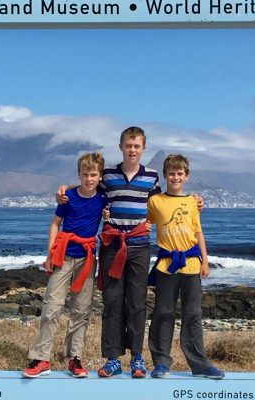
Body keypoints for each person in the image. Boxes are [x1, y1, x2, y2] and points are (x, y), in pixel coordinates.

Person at [57, 126, 160, 378]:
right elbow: (88, 183)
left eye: (136, 146)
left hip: (139, 246)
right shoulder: (109, 175)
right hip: (112, 246)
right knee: (112, 302)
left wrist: (194, 201)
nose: (132, 150)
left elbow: (162, 203)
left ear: (143, 148)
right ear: (121, 147)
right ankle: (113, 358)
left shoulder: (152, 177)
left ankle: (137, 358)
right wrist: (64, 188)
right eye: (128, 145)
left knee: (136, 303)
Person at [23, 152, 107, 379]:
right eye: (85, 174)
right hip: (64, 256)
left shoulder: (103, 197)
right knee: (52, 306)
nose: (89, 179)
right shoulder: (68, 197)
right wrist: (50, 254)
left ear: (100, 176)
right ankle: (41, 358)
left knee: (81, 310)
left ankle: (75, 358)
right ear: (79, 175)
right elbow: (55, 224)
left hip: (87, 259)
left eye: (93, 175)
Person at [146, 154, 225, 380]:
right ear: (165, 175)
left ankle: (199, 364)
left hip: (191, 266)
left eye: (180, 173)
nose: (175, 177)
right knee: (163, 313)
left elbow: (198, 232)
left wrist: (205, 261)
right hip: (166, 267)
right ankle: (161, 363)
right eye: (171, 173)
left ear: (186, 176)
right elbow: (143, 221)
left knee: (193, 315)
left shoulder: (192, 202)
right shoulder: (155, 201)